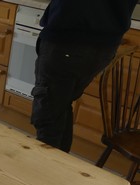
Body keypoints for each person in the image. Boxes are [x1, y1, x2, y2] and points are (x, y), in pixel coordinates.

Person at [31, 0, 137, 152]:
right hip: (104, 43)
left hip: (70, 36)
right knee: (60, 107)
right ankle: (60, 164)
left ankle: (43, 171)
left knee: (49, 116)